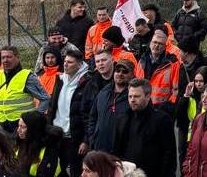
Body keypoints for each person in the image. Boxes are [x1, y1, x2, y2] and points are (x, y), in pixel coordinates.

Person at [111, 80, 174, 177]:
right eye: (130, 96)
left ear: (148, 96)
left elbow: (169, 155)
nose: (132, 100)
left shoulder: (162, 120)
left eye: (136, 96)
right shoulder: (123, 119)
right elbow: (116, 150)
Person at [46, 49, 91, 177]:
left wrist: (86, 140)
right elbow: (52, 107)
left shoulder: (87, 83)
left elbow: (89, 115)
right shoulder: (60, 79)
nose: (65, 64)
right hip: (56, 134)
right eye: (65, 61)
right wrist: (48, 128)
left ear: (79, 64)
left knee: (75, 171)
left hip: (74, 138)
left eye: (70, 62)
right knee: (57, 170)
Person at [0, 47, 50, 134]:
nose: (5, 60)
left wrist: (34, 119)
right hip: (3, 125)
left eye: (9, 57)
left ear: (17, 58)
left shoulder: (27, 76)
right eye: (3, 57)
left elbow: (45, 98)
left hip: (23, 125)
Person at [84, 58, 131, 153]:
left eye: (125, 72)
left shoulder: (134, 96)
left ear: (132, 74)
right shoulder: (103, 92)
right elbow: (92, 117)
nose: (120, 74)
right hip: (99, 148)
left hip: (121, 153)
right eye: (117, 71)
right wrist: (92, 139)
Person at [138, 31, 180, 116]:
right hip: (142, 107)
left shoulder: (173, 63)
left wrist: (168, 108)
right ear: (150, 43)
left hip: (162, 110)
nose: (156, 46)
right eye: (155, 42)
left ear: (165, 46)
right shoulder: (142, 60)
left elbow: (176, 90)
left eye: (160, 44)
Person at [14, 112, 60, 177]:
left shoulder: (48, 151)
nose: (18, 130)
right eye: (19, 125)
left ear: (34, 130)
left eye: (23, 127)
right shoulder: (20, 141)